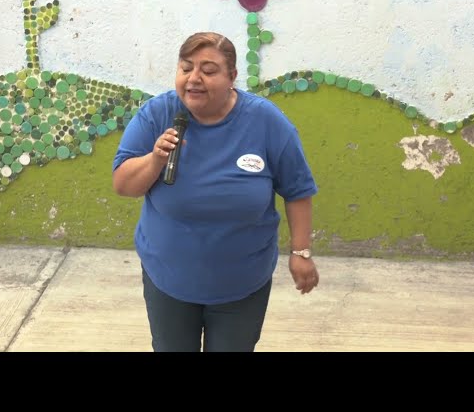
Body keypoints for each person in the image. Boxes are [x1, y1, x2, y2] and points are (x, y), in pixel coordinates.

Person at [112, 32, 319, 352]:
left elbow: (297, 190)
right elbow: (123, 185)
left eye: (208, 71)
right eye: (186, 68)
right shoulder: (157, 114)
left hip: (242, 285)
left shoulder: (266, 121)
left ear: (232, 77)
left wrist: (301, 252)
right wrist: (155, 160)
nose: (194, 78)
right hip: (168, 279)